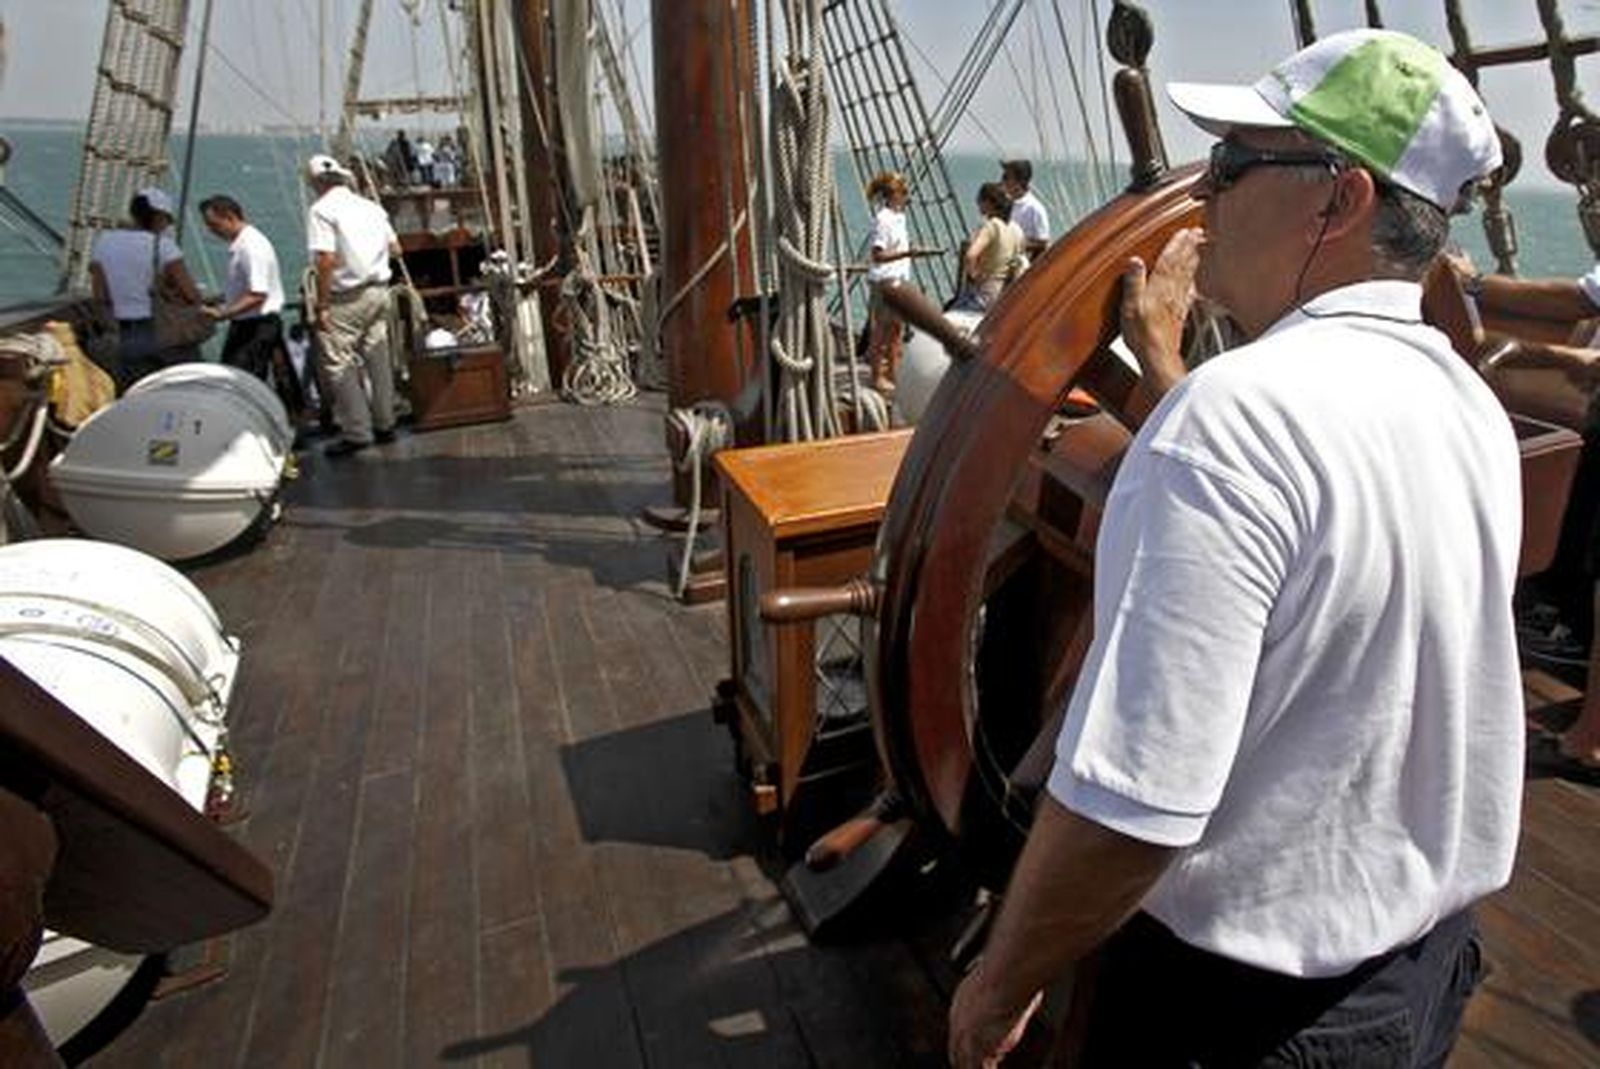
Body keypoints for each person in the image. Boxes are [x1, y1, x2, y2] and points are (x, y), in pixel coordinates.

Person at [948, 29, 1520, 1068]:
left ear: (1337, 202)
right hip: (1416, 979)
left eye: (1229, 165)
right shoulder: (1465, 404)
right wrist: (1170, 369)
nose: (1200, 200)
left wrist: (998, 982)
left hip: (1237, 1021)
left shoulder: (1235, 419)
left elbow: (1136, 806)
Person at [305, 153, 402, 458]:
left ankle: (358, 432)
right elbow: (396, 248)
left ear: (314, 182)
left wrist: (321, 305)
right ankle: (386, 423)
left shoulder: (321, 210)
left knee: (338, 361)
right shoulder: (371, 207)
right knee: (378, 357)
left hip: (346, 296)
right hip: (379, 291)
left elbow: (326, 259)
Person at [88, 187, 205, 389]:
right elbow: (191, 295)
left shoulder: (104, 242)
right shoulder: (164, 247)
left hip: (116, 330)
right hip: (157, 334)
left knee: (126, 387)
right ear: (159, 217)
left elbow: (100, 293)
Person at [199, 195, 286, 385]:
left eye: (214, 225)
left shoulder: (250, 247)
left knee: (242, 382)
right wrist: (218, 299)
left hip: (255, 327)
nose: (212, 231)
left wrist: (222, 314)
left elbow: (258, 294)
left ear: (230, 217)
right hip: (249, 323)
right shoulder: (244, 244)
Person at [864, 170, 914, 394]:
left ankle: (893, 374)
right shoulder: (883, 219)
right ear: (892, 195)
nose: (907, 196)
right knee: (881, 331)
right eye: (903, 192)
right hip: (884, 282)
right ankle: (876, 377)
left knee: (896, 331)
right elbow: (877, 255)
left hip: (899, 281)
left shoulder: (899, 217)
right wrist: (907, 253)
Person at [957, 182, 1025, 313]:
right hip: (1004, 295)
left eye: (980, 200)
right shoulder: (1017, 230)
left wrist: (974, 277)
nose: (977, 203)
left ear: (988, 203)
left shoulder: (992, 226)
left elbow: (971, 256)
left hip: (984, 294)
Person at [1000, 158, 1050, 261]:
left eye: (1006, 177)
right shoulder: (1004, 204)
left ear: (1020, 181)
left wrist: (1015, 245)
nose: (1003, 181)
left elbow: (1043, 243)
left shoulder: (1035, 208)